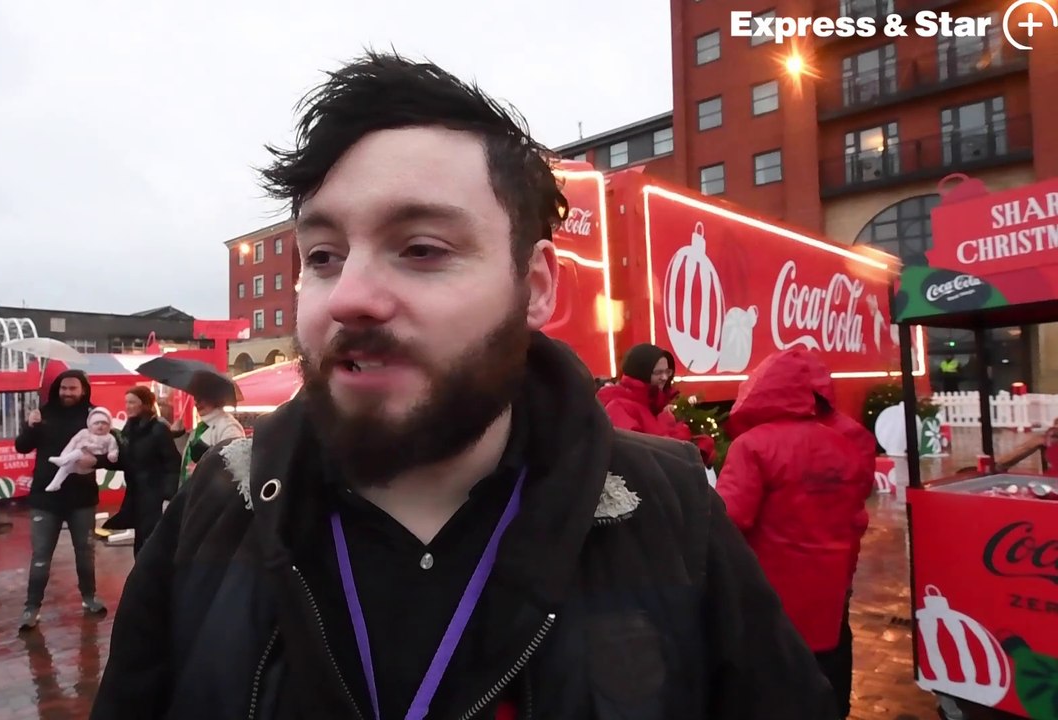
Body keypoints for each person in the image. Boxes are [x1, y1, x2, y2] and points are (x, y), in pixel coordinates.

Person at [92, 51, 836, 720]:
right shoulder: (216, 510)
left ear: (536, 286)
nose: (348, 294)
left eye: (421, 248)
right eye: (322, 255)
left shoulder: (670, 514)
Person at [715, 347, 874, 719]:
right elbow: (857, 518)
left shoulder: (753, 446)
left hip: (771, 603)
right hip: (830, 598)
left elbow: (728, 522)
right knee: (827, 690)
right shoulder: (843, 445)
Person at [14, 370, 112, 630]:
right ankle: (31, 608)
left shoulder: (94, 415)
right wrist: (30, 425)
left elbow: (113, 450)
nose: (67, 393)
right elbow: (21, 446)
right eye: (63, 388)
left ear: (83, 390)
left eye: (73, 388)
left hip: (82, 498)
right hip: (46, 498)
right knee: (41, 555)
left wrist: (98, 460)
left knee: (85, 552)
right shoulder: (43, 414)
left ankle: (89, 597)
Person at [598, 343, 715, 465]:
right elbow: (637, 455)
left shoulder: (657, 408)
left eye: (667, 371)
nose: (664, 377)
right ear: (641, 373)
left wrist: (699, 447)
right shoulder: (619, 407)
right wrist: (680, 440)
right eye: (658, 372)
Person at [104, 386, 182, 555]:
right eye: (126, 402)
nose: (128, 406)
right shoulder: (129, 428)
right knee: (140, 542)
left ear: (145, 404)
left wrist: (168, 497)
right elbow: (124, 460)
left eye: (132, 402)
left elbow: (173, 463)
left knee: (151, 544)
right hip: (136, 495)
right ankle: (141, 578)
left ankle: (151, 579)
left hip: (154, 496)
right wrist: (97, 461)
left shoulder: (159, 429)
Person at [169, 390, 245, 488]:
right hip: (190, 494)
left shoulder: (229, 427)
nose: (196, 402)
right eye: (195, 398)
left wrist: (205, 469)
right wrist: (179, 434)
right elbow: (188, 458)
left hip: (209, 495)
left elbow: (233, 466)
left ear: (216, 398)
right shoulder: (200, 427)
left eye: (202, 397)